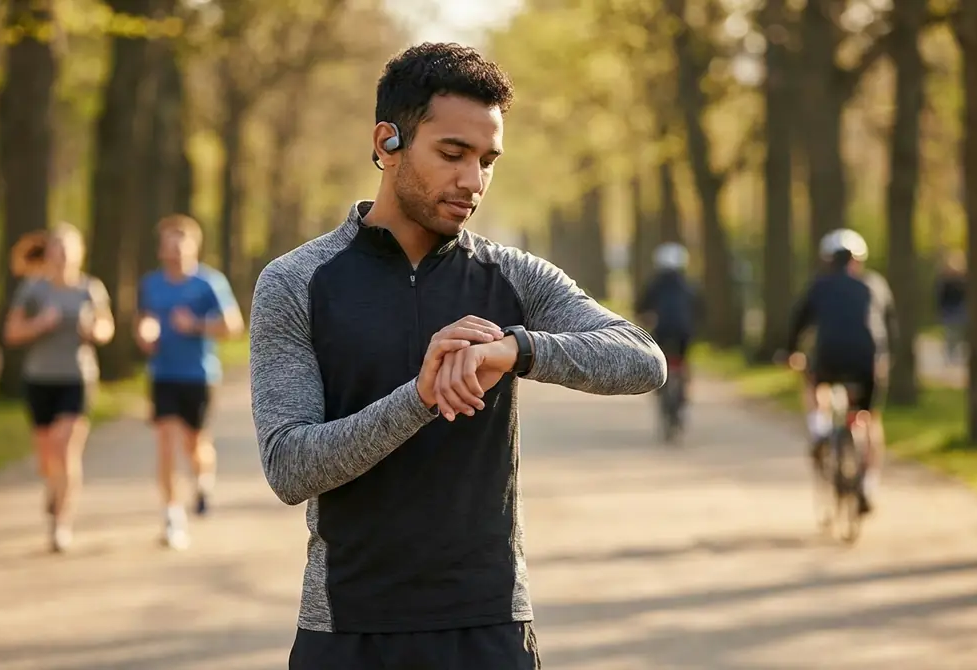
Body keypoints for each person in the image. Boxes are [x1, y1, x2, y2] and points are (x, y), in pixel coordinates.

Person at [249, 43, 666, 670]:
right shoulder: (296, 282)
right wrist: (419, 398)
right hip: (347, 630)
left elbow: (642, 359)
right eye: (452, 154)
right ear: (388, 142)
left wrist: (519, 348)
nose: (473, 181)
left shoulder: (513, 277)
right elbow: (289, 466)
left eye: (487, 160)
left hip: (489, 627)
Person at [3, 223, 114, 553]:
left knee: (65, 449)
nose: (63, 255)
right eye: (57, 248)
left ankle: (61, 524)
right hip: (39, 378)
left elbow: (106, 328)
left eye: (69, 249)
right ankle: (53, 487)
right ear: (49, 253)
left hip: (77, 378)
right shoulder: (33, 289)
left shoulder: (90, 289)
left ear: (80, 253)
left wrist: (93, 330)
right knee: (47, 455)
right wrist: (39, 324)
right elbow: (11, 332)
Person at [134, 214, 243, 551]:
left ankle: (202, 481)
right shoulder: (151, 284)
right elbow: (144, 320)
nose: (176, 253)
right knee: (166, 441)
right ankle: (172, 515)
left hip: (199, 375)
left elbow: (233, 326)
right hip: (163, 374)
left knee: (195, 444)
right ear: (161, 250)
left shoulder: (209, 283)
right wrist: (145, 333)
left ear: (194, 248)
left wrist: (195, 325)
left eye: (181, 247)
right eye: (170, 247)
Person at [784, 228, 897, 514]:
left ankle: (819, 430)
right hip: (867, 360)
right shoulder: (876, 284)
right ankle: (868, 485)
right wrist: (887, 359)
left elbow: (798, 322)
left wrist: (790, 352)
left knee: (812, 380)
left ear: (828, 260)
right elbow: (890, 328)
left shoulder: (819, 286)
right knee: (870, 419)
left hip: (829, 358)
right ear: (858, 260)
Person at [635, 241, 702, 408]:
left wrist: (642, 318)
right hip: (684, 330)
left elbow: (641, 306)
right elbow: (700, 308)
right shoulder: (689, 285)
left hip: (661, 329)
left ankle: (659, 383)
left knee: (658, 355)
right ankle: (683, 386)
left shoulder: (654, 284)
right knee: (683, 359)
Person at [934, 250, 967, 364]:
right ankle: (949, 355)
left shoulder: (962, 280)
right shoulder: (944, 280)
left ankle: (954, 355)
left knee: (957, 333)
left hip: (959, 309)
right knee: (950, 333)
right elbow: (940, 296)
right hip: (948, 310)